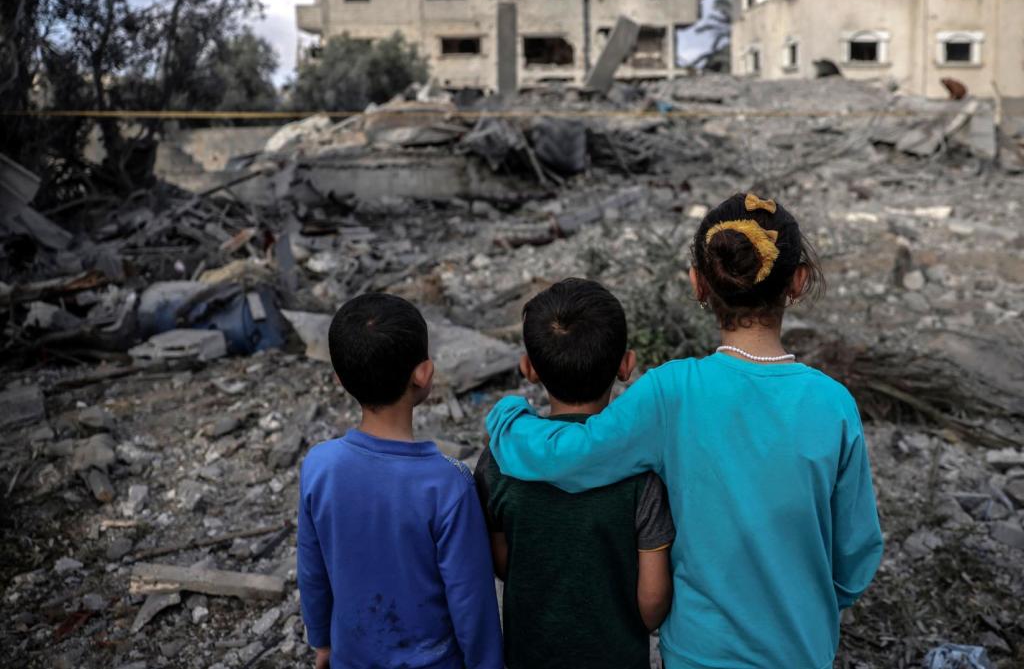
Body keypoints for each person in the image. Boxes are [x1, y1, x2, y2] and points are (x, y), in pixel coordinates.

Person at [486, 193, 884, 669]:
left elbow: (575, 453)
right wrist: (810, 605)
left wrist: (506, 421)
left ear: (698, 284)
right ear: (797, 281)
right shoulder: (834, 404)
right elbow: (856, 553)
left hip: (700, 653)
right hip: (801, 649)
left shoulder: (671, 392)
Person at [475, 278, 675, 669]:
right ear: (626, 366)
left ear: (528, 369)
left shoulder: (499, 459)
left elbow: (502, 563)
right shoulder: (642, 471)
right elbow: (652, 605)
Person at [298, 293, 502, 669]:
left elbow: (312, 570)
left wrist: (323, 642)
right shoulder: (448, 484)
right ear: (424, 373)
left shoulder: (319, 466)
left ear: (340, 380)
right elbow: (471, 601)